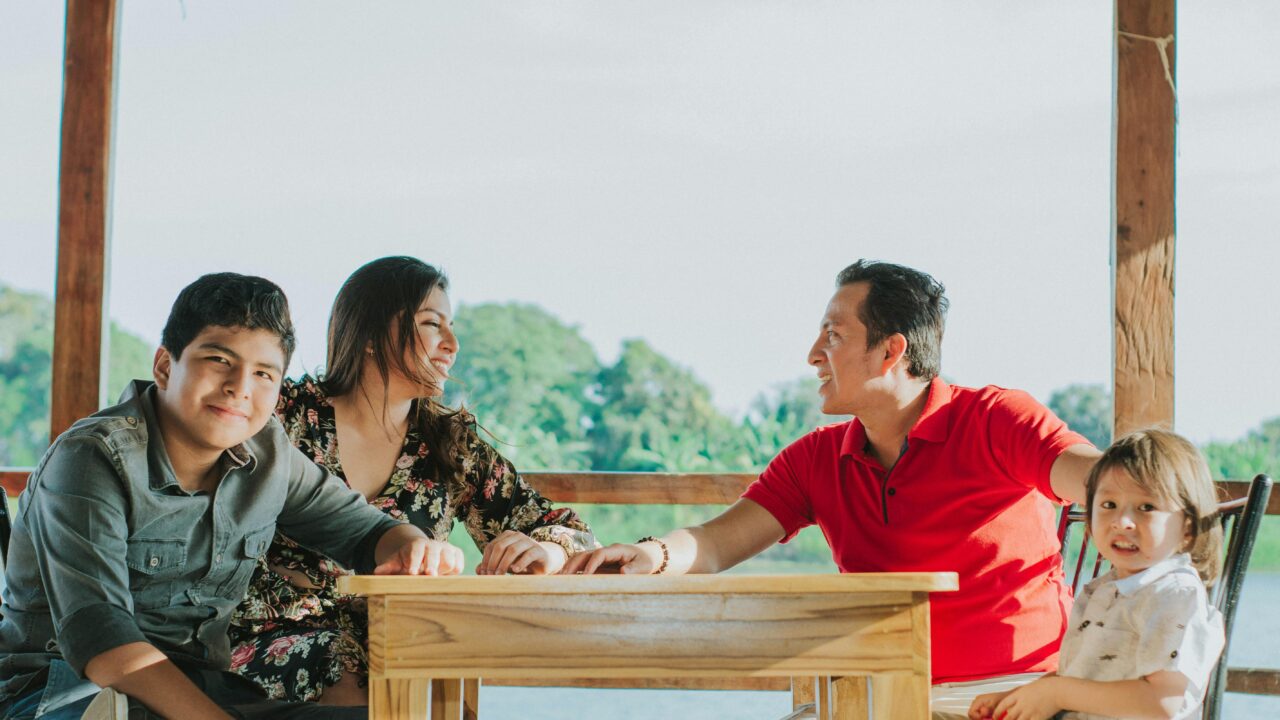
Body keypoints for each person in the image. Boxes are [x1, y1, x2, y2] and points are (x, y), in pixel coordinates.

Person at [563, 259, 1102, 718]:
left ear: (892, 352)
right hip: (877, 695)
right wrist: (648, 553)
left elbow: (1104, 482)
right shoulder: (817, 458)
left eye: (834, 336)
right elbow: (714, 542)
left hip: (1015, 697)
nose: (813, 354)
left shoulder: (998, 419)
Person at [0, 273, 462, 720]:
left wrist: (412, 547)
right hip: (63, 691)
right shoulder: (92, 458)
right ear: (165, 366)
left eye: (264, 373)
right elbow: (102, 643)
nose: (240, 388)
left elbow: (366, 530)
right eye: (219, 360)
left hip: (204, 689)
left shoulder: (268, 453)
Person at [229, 256, 596, 705]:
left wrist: (547, 549)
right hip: (265, 640)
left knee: (409, 662)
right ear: (369, 334)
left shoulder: (450, 446)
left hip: (400, 641)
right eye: (431, 324)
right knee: (353, 668)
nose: (453, 344)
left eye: (451, 326)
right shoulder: (285, 415)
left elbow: (570, 530)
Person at [968, 429, 1225, 720]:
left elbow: (1162, 704)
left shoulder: (1174, 595)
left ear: (1187, 526)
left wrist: (1057, 693)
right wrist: (1023, 698)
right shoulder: (1105, 589)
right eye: (1109, 505)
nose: (1122, 521)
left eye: (1146, 507)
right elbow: (1085, 676)